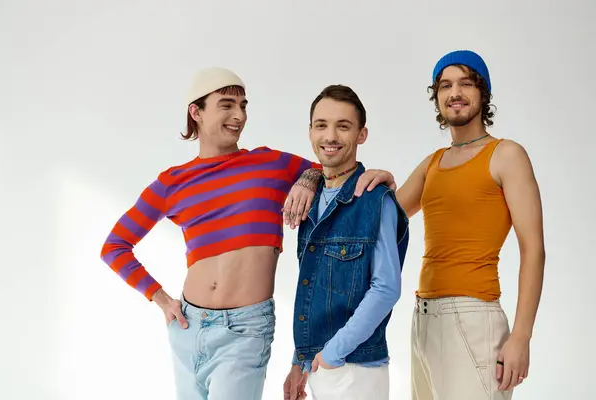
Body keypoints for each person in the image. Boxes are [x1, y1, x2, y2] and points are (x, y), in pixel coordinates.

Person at [99, 67, 396, 400]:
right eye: (226, 104)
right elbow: (115, 246)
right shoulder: (172, 182)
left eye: (243, 105)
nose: (238, 115)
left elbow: (332, 166)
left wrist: (315, 179)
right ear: (196, 112)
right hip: (187, 327)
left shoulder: (270, 163)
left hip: (246, 327)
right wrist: (160, 297)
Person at [396, 50, 546, 399]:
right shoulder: (433, 163)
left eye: (466, 83)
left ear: (483, 92)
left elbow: (534, 250)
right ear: (436, 97)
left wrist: (521, 336)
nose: (455, 93)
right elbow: (381, 216)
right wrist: (319, 176)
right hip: (424, 319)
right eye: (445, 85)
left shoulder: (506, 155)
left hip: (473, 318)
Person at [283, 84, 410, 400]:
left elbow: (386, 289)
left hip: (356, 370)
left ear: (361, 135)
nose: (330, 136)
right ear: (310, 132)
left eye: (343, 126)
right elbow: (315, 288)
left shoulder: (376, 200)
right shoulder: (311, 200)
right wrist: (301, 360)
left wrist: (330, 356)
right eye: (321, 125)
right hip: (320, 366)